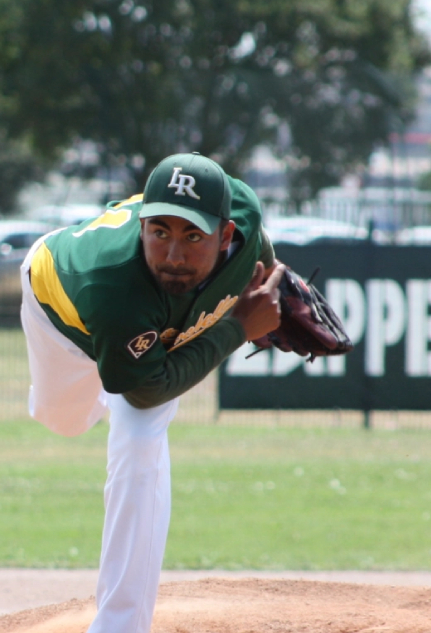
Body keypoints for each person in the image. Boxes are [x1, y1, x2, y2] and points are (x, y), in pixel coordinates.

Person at [19, 152, 283, 633]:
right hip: (61, 313)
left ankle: (119, 626)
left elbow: (260, 247)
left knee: (140, 444)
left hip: (146, 332)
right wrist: (238, 328)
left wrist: (270, 282)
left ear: (226, 234)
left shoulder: (242, 213)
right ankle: (114, 370)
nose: (174, 254)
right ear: (141, 225)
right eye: (158, 231)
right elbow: (147, 391)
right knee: (65, 420)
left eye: (192, 235)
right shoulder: (112, 289)